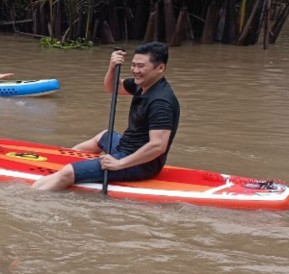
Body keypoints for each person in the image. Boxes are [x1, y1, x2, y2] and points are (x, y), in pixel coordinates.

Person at [32, 42, 180, 191]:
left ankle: (52, 183)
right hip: (127, 147)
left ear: (160, 68)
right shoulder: (142, 84)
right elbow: (112, 88)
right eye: (133, 65)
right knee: (104, 136)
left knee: (67, 173)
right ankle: (63, 164)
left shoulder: (161, 102)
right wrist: (112, 67)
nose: (135, 70)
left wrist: (119, 164)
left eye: (141, 66)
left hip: (141, 163)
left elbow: (158, 146)